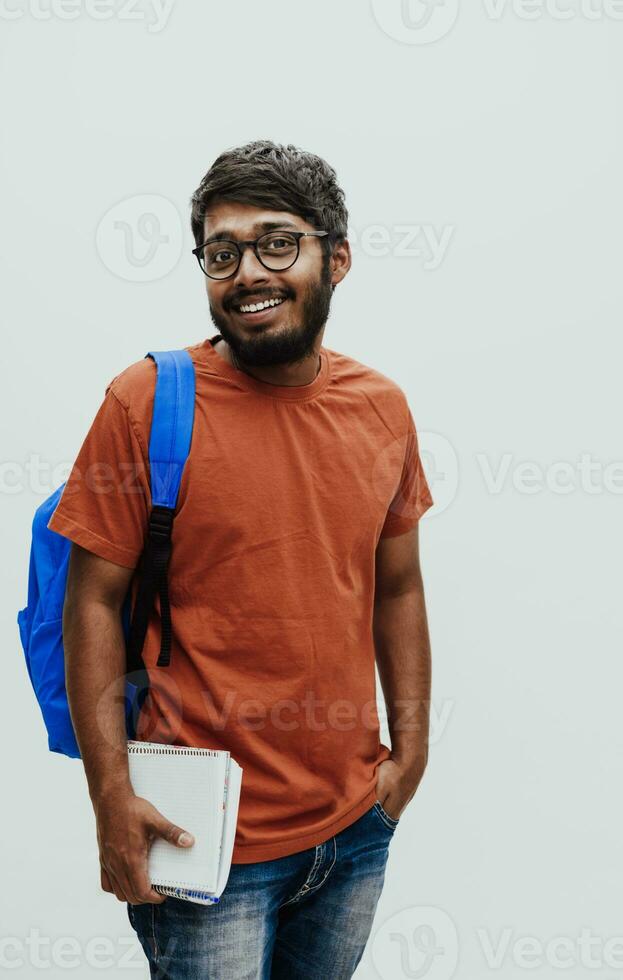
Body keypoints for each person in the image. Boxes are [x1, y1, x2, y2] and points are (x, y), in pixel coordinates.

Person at [48, 140, 434, 979]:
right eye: (221, 253)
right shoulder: (146, 401)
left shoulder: (382, 408)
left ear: (336, 258)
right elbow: (88, 605)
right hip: (202, 843)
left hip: (353, 826)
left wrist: (412, 753)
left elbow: (395, 586)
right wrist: (110, 802)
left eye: (275, 243)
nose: (247, 271)